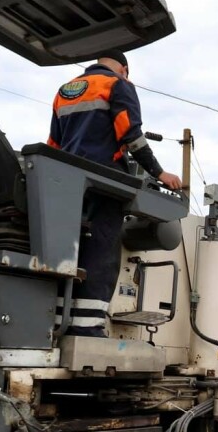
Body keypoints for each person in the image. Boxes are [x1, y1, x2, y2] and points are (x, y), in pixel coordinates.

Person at [47, 52, 182, 336]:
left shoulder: (65, 91)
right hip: (105, 183)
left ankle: (60, 322)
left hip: (68, 183)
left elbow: (54, 144)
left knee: (72, 251)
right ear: (125, 69)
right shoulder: (117, 85)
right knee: (101, 251)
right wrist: (160, 174)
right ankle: (87, 330)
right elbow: (131, 135)